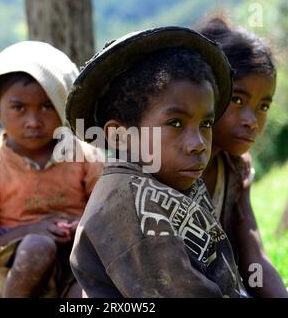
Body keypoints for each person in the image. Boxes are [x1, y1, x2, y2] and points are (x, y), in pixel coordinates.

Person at [67, 26, 249, 297]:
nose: (198, 143)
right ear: (120, 137)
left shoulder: (171, 180)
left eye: (206, 123)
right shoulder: (128, 203)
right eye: (175, 123)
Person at [0, 41, 103, 298]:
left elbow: (104, 222)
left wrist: (80, 228)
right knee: (38, 246)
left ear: (64, 106)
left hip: (74, 267)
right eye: (18, 108)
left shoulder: (86, 157)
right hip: (11, 277)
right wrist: (30, 230)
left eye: (47, 106)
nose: (33, 121)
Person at [196, 17, 288, 298]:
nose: (252, 120)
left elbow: (254, 258)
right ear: (208, 92)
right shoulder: (167, 169)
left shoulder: (236, 170)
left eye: (263, 106)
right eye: (238, 99)